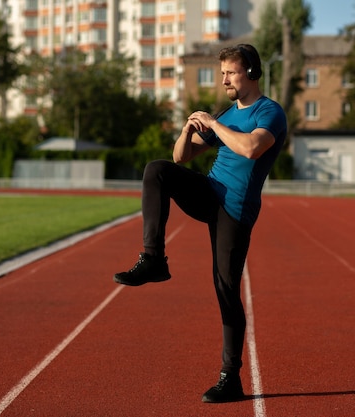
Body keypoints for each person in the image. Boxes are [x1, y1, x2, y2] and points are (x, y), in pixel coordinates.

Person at [114, 44, 287, 403]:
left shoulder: (269, 112)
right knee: (158, 170)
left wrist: (212, 123)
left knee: (225, 288)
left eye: (231, 72)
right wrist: (187, 129)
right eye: (222, 72)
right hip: (210, 192)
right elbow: (182, 156)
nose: (224, 79)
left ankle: (230, 378)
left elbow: (252, 149)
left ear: (252, 73)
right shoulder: (225, 113)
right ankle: (153, 259)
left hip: (235, 209)